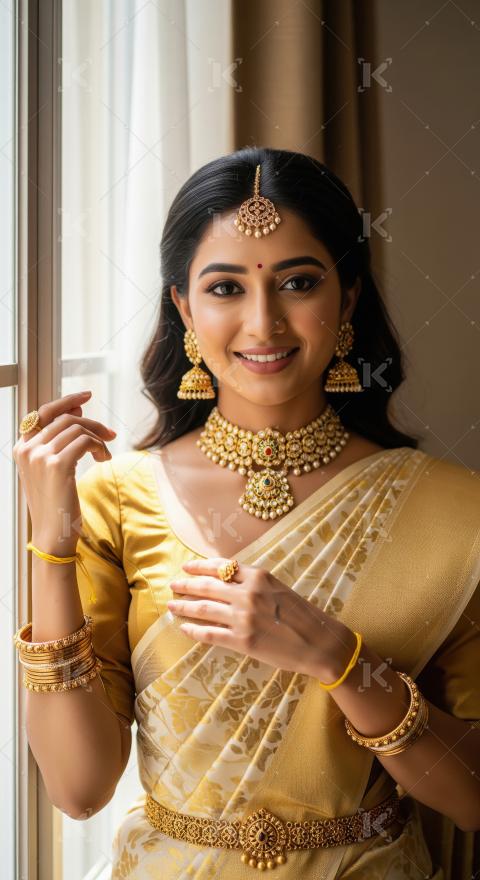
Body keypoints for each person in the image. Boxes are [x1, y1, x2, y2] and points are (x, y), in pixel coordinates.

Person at [13, 147, 480, 879]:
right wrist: (51, 540)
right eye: (225, 287)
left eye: (298, 283)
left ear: (348, 299)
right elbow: (77, 788)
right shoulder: (115, 498)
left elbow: (474, 798)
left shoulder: (457, 511)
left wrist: (336, 660)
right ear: (183, 309)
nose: (264, 324)